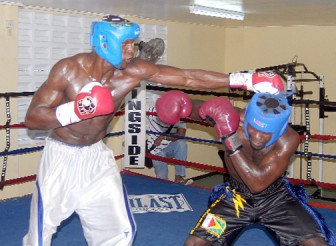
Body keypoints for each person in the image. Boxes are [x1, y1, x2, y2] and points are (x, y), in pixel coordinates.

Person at [23, 13, 286, 246]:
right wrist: (77, 110)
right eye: (125, 45)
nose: (130, 51)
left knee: (117, 229)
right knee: (41, 231)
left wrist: (243, 79)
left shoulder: (132, 71)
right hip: (62, 156)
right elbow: (33, 118)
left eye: (132, 45)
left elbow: (187, 77)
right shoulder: (68, 70)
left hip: (96, 157)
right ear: (105, 42)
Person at [155, 91, 335, 245]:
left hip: (277, 202)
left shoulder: (288, 139)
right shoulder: (232, 117)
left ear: (279, 130)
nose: (257, 137)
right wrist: (181, 104)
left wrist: (229, 137)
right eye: (253, 128)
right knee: (195, 243)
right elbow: (197, 109)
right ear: (246, 118)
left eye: (266, 133)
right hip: (235, 202)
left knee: (316, 243)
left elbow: (257, 183)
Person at [146, 102, 192, 184]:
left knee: (181, 143)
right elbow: (136, 109)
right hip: (156, 150)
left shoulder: (180, 117)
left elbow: (181, 135)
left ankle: (179, 177)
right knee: (163, 182)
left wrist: (163, 137)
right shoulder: (153, 111)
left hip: (169, 147)